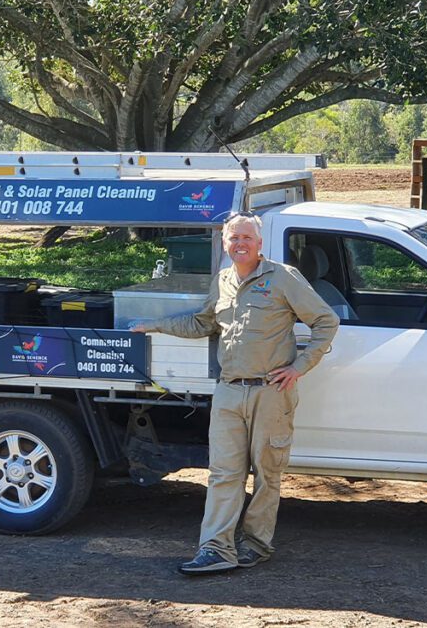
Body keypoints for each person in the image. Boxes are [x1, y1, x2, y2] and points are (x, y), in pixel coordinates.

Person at [133, 212, 339, 575]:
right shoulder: (223, 280)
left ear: (259, 244)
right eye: (233, 238)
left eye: (247, 237)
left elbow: (326, 321)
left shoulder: (284, 278)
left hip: (271, 392)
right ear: (225, 244)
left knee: (266, 473)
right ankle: (215, 549)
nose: (240, 243)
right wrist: (156, 324)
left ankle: (256, 545)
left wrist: (299, 367)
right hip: (228, 392)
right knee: (223, 474)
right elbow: (204, 322)